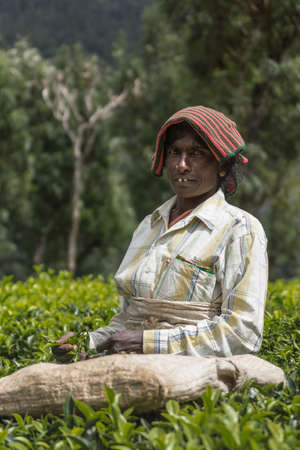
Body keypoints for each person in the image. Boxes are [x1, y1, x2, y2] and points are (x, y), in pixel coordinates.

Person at [53, 105, 268, 361]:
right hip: (128, 365)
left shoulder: (240, 229)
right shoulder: (149, 225)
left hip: (192, 375)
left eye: (196, 154)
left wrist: (148, 342)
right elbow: (129, 321)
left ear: (222, 165)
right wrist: (85, 342)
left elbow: (243, 333)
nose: (182, 165)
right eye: (174, 152)